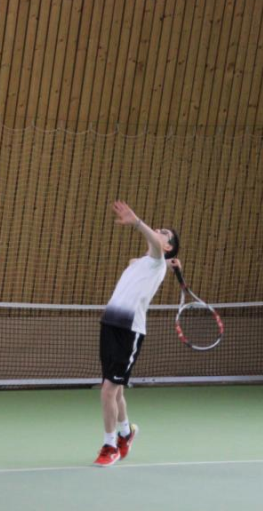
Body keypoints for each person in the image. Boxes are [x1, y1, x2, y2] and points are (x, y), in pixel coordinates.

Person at [94, 200, 180, 467]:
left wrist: (137, 222)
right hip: (110, 323)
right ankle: (125, 433)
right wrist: (171, 262)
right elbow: (137, 259)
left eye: (164, 233)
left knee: (108, 390)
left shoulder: (157, 261)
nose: (158, 231)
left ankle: (110, 446)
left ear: (167, 247)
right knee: (115, 388)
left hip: (129, 330)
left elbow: (154, 246)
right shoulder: (144, 262)